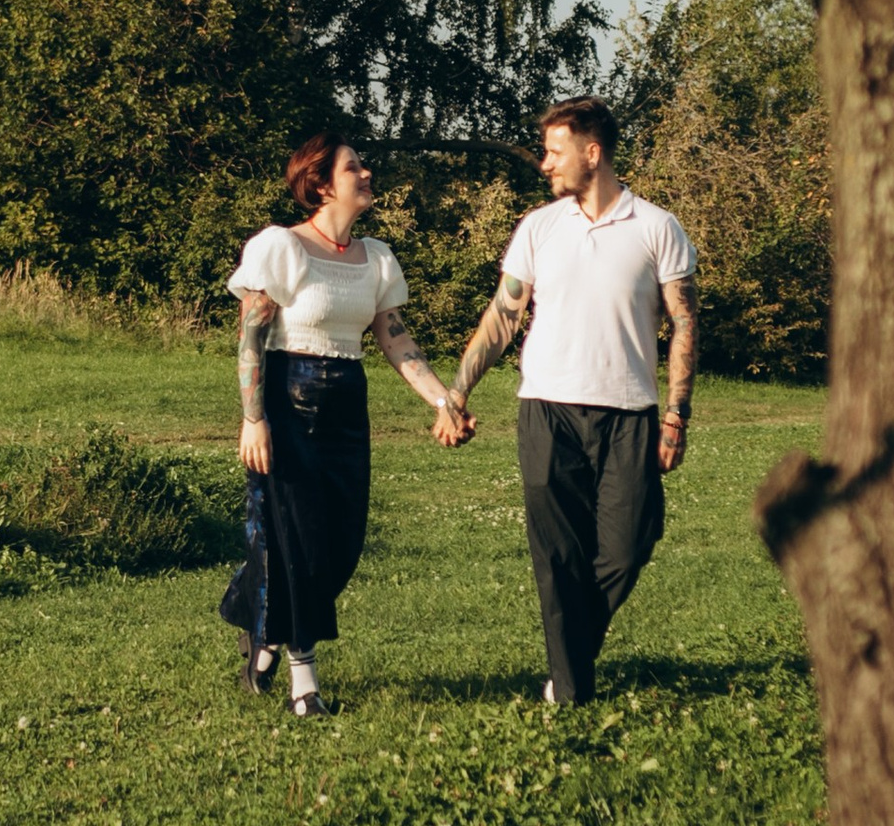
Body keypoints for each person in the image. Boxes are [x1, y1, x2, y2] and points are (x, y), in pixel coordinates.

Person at [452, 96, 696, 708]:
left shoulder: (657, 227)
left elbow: (685, 323)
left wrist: (676, 411)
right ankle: (570, 691)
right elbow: (504, 316)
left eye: (555, 152)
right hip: (546, 410)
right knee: (558, 558)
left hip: (630, 413)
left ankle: (569, 660)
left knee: (629, 544)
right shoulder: (539, 226)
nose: (545, 164)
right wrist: (458, 389)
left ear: (593, 153)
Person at [221, 131, 469, 718]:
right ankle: (304, 684)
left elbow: (394, 337)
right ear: (323, 183)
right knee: (297, 536)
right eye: (354, 167)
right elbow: (251, 336)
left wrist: (442, 401)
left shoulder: (377, 257)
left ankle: (264, 629)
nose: (367, 174)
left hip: (346, 405)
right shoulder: (282, 247)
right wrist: (253, 419)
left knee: (341, 540)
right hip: (287, 400)